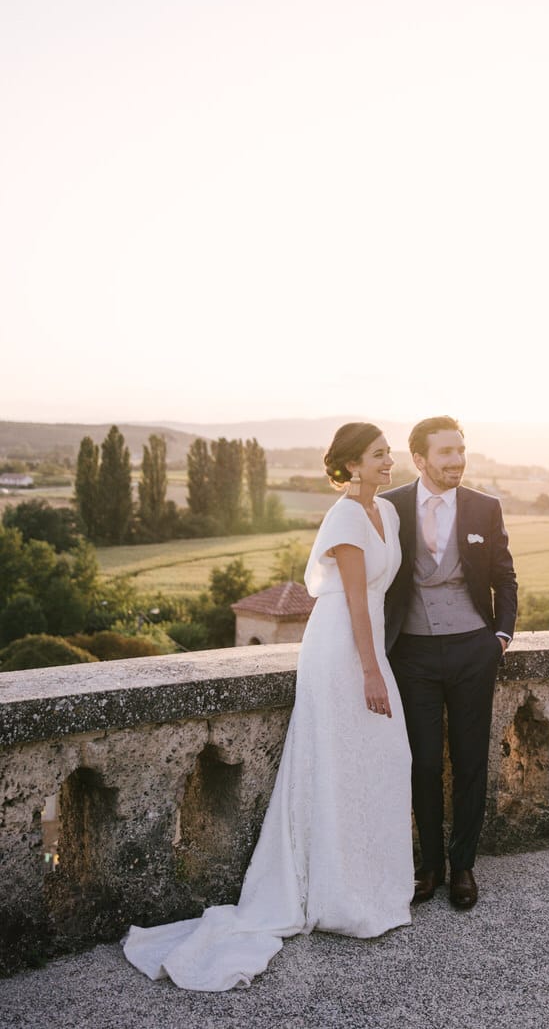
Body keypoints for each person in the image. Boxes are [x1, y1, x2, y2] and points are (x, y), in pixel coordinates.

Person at [123, 423, 413, 990]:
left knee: (377, 761)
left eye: (389, 454)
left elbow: (380, 598)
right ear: (352, 465)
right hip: (340, 649)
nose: (389, 462)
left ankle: (368, 884)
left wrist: (379, 657)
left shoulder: (390, 514)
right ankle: (332, 893)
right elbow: (354, 599)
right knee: (336, 760)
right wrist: (373, 670)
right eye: (380, 455)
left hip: (368, 639)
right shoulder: (347, 517)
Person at [381, 415, 517, 910]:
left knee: (470, 761)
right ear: (419, 459)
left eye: (461, 451)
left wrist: (500, 635)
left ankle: (463, 866)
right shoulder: (389, 507)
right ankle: (428, 867)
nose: (457, 460)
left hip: (472, 651)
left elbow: (505, 576)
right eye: (446, 453)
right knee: (421, 762)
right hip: (411, 653)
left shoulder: (485, 507)